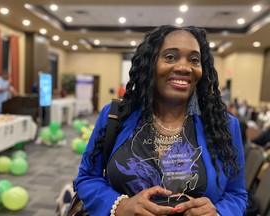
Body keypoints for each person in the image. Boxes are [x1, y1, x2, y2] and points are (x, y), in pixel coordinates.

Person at [74, 25, 247, 216]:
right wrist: (119, 206)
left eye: (194, 60)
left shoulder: (224, 126)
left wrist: (219, 213)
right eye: (170, 57)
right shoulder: (116, 115)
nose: (184, 67)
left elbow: (236, 194)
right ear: (150, 63)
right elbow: (87, 177)